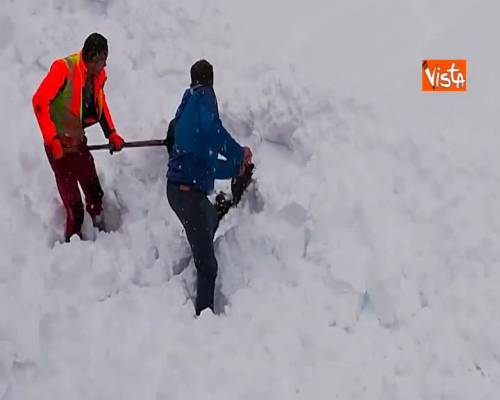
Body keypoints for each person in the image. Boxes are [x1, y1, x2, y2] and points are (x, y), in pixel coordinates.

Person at [166, 59, 252, 315]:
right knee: (208, 267)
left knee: (209, 215)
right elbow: (214, 133)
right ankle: (204, 318)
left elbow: (206, 161)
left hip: (178, 190)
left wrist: (234, 170)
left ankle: (216, 215)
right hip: (188, 195)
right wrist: (239, 155)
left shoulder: (187, 102)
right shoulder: (204, 96)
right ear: (210, 80)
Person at [33, 33, 125, 242]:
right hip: (59, 149)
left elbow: (100, 105)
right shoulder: (64, 69)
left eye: (105, 61)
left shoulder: (96, 77)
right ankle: (73, 249)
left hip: (78, 143)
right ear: (91, 58)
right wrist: (52, 140)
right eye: (101, 61)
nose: (103, 67)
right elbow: (39, 101)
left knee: (95, 192)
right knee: (75, 208)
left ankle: (102, 234)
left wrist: (111, 133)